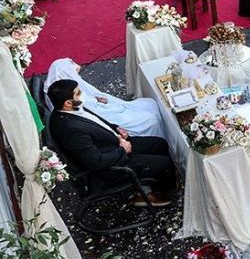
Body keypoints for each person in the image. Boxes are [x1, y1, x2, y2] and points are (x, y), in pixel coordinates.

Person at [46, 79, 175, 206]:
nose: (82, 94)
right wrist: (123, 150)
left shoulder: (70, 109)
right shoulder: (71, 130)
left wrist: (116, 128)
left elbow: (95, 121)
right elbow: (95, 162)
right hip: (113, 165)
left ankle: (154, 186)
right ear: (68, 103)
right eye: (78, 93)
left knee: (160, 144)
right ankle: (152, 195)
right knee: (166, 163)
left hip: (113, 143)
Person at [44, 59, 164, 138]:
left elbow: (89, 99)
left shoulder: (66, 89)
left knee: (150, 103)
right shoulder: (67, 97)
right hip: (108, 116)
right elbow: (91, 111)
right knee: (150, 119)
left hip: (106, 109)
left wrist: (97, 99)